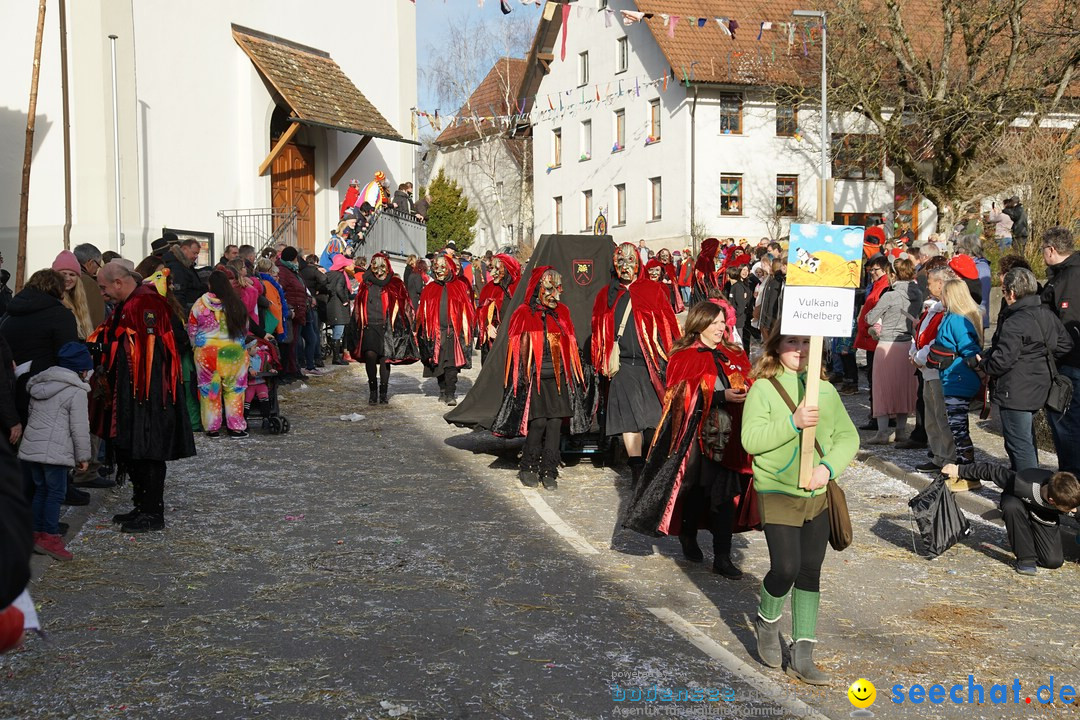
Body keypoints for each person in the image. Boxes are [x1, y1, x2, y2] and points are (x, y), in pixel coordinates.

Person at [741, 334, 859, 685]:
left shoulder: (826, 390)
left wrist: (828, 468)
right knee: (786, 567)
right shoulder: (763, 389)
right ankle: (767, 619)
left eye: (807, 342)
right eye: (792, 342)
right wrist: (792, 422)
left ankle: (803, 654)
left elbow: (847, 437)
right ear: (776, 347)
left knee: (809, 571)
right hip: (777, 491)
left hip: (817, 494)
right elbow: (751, 439)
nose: (800, 349)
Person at [622, 301, 755, 578]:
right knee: (697, 491)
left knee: (726, 493)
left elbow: (750, 380)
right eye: (716, 322)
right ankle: (688, 533)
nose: (722, 327)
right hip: (696, 436)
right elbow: (678, 395)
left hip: (730, 437)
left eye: (723, 322)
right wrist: (719, 396)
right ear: (700, 324)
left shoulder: (733, 352)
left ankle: (722, 556)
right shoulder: (684, 355)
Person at [91, 260, 196, 532]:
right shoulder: (131, 304)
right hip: (135, 394)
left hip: (149, 395)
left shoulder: (145, 304)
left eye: (103, 287)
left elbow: (153, 349)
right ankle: (142, 505)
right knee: (135, 449)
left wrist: (108, 348)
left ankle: (152, 513)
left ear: (118, 283)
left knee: (148, 450)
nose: (101, 292)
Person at [492, 267, 591, 490]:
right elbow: (515, 350)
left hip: (558, 379)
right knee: (538, 424)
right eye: (549, 288)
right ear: (538, 288)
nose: (555, 293)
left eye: (558, 288)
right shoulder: (523, 313)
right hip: (535, 379)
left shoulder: (562, 312)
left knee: (555, 424)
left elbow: (570, 346)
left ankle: (549, 468)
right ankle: (528, 466)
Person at [592, 243, 681, 483]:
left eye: (630, 262)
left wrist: (673, 358)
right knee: (629, 421)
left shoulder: (652, 290)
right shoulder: (607, 294)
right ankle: (636, 469)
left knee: (654, 418)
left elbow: (668, 326)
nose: (625, 267)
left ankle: (652, 463)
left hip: (651, 365)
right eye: (620, 262)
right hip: (623, 367)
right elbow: (598, 328)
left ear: (638, 264)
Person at [978, 267, 1071, 472]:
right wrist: (1038, 359)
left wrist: (982, 363)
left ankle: (1029, 492)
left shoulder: (1015, 321)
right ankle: (1028, 481)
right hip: (1039, 385)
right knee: (1026, 440)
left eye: (1003, 291)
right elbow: (1065, 345)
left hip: (1015, 390)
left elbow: (1000, 362)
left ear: (1011, 293)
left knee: (1019, 444)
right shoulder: (1046, 314)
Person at [18, 342, 93, 561]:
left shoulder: (39, 385)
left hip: (33, 449)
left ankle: (35, 533)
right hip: (56, 452)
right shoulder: (75, 392)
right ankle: (50, 537)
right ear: (80, 369)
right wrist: (83, 457)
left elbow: (33, 415)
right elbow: (79, 428)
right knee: (55, 494)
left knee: (41, 491)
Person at [943, 461, 1080, 575]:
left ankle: (1032, 530)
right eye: (1070, 509)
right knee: (1011, 506)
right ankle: (1026, 559)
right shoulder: (1023, 483)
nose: (1074, 511)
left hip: (1042, 514)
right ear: (1051, 500)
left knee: (1052, 562)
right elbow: (992, 471)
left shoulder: (1073, 499)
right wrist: (959, 469)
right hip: (1017, 502)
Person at [864, 257, 924, 443]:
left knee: (883, 389)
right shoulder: (918, 293)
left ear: (892, 274)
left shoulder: (890, 295)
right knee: (903, 389)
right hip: (907, 344)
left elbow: (870, 317)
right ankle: (900, 430)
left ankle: (882, 432)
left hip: (887, 344)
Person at [187, 270, 251, 439]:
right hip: (234, 354)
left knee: (209, 390)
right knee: (234, 390)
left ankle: (212, 427)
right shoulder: (236, 303)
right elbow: (245, 329)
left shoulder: (200, 304)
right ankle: (236, 427)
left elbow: (192, 328)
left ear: (210, 285)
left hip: (207, 354)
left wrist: (196, 346)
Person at [909, 261, 958, 472]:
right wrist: (914, 353)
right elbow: (921, 334)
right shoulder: (933, 308)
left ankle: (949, 458)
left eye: (930, 282)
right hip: (926, 369)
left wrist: (920, 356)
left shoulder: (949, 310)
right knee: (931, 416)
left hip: (938, 369)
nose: (927, 286)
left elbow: (939, 339)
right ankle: (938, 455)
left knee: (941, 416)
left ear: (941, 283)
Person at [351, 252, 417, 404]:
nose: (379, 270)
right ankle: (373, 391)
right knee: (370, 357)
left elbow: (404, 305)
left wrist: (407, 325)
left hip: (388, 327)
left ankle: (383, 392)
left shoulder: (395, 283)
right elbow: (359, 305)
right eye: (376, 266)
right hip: (370, 326)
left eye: (382, 266)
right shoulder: (366, 283)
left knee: (384, 359)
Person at [1041, 226, 1080, 476]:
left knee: (1067, 422)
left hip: (1070, 364)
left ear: (1052, 249)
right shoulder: (1063, 274)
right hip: (1069, 362)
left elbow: (1067, 327)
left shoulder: (1070, 278)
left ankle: (1071, 479)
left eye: (1043, 249)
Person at [936, 279, 984, 465]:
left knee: (958, 428)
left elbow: (969, 349)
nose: (941, 297)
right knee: (957, 427)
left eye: (944, 293)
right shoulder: (951, 317)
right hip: (952, 377)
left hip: (959, 379)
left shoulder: (956, 320)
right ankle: (965, 467)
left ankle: (967, 470)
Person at [416, 254, 475, 405]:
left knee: (452, 364)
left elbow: (468, 309)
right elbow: (421, 311)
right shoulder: (429, 288)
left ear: (449, 268)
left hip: (453, 332)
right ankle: (442, 389)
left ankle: (450, 393)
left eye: (443, 267)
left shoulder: (460, 286)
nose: (440, 270)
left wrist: (466, 330)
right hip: (435, 332)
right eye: (437, 267)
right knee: (438, 363)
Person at [854, 254, 892, 426]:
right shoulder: (877, 285)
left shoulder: (884, 287)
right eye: (870, 270)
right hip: (871, 339)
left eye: (875, 270)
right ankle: (878, 414)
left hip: (876, 339)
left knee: (877, 380)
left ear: (885, 270)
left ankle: (879, 416)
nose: (871, 273)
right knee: (874, 378)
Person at [476, 253, 522, 365]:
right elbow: (482, 310)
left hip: (516, 338)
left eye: (497, 269)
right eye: (491, 268)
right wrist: (488, 325)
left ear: (508, 269)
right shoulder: (489, 288)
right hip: (494, 338)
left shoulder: (521, 287)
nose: (492, 274)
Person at [275, 247, 311, 382]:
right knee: (290, 344)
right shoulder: (283, 271)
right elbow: (281, 289)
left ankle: (293, 369)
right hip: (291, 312)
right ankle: (288, 371)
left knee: (295, 343)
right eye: (296, 258)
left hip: (297, 311)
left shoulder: (292, 270)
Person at [51, 251, 94, 340]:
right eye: (63, 274)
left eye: (72, 274)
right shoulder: (51, 299)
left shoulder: (79, 300)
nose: (67, 278)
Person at [299, 254, 328, 372]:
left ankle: (303, 360)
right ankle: (316, 358)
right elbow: (324, 279)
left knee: (303, 336)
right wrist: (319, 288)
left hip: (304, 303)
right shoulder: (313, 271)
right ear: (315, 261)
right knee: (314, 333)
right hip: (310, 303)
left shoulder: (300, 271)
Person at [325, 255, 354, 366]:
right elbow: (338, 289)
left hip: (330, 306)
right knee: (338, 333)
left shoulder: (328, 274)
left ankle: (335, 356)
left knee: (335, 331)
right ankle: (336, 358)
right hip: (339, 308)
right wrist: (345, 300)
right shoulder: (340, 276)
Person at [164, 238, 206, 311]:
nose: (196, 256)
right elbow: (178, 294)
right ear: (184, 249)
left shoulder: (185, 265)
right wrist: (184, 313)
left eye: (197, 254)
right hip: (186, 309)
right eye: (194, 253)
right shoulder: (177, 267)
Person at [71, 243, 106, 329]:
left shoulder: (60, 279)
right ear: (90, 263)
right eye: (98, 266)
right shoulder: (89, 283)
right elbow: (97, 319)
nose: (96, 271)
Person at [725, 262, 753, 353]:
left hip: (742, 317)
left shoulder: (744, 285)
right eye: (743, 270)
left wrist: (735, 315)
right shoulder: (735, 285)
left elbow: (741, 304)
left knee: (741, 339)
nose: (745, 272)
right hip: (739, 317)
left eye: (747, 270)